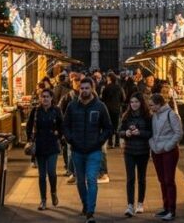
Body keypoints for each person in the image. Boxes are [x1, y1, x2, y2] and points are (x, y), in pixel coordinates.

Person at [63, 78, 113, 223]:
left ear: (92, 89)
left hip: (94, 151)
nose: (84, 90)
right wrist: (70, 139)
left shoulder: (100, 106)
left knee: (91, 179)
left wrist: (99, 141)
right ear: (79, 89)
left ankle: (90, 211)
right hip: (77, 150)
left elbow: (108, 127)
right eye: (82, 88)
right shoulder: (72, 106)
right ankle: (85, 204)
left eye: (87, 88)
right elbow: (65, 125)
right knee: (80, 181)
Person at [26, 89, 63, 210]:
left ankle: (53, 192)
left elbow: (62, 125)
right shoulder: (36, 111)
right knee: (42, 175)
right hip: (40, 145)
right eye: (43, 97)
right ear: (40, 98)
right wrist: (29, 140)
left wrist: (59, 135)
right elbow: (29, 125)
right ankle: (43, 200)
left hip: (52, 145)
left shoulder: (56, 110)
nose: (45, 99)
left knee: (51, 172)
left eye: (47, 97)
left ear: (51, 98)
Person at [148, 92, 183, 221]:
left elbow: (178, 133)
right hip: (157, 150)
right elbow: (153, 132)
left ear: (158, 104)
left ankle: (171, 209)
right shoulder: (154, 116)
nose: (150, 107)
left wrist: (168, 146)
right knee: (162, 180)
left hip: (168, 151)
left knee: (169, 180)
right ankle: (166, 206)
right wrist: (152, 144)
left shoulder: (171, 115)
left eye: (152, 105)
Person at [119, 92, 153, 217]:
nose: (134, 104)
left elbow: (150, 133)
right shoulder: (126, 116)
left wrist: (140, 133)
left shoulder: (147, 116)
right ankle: (130, 205)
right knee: (130, 179)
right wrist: (125, 133)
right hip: (129, 151)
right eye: (132, 102)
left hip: (143, 151)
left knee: (142, 178)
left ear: (141, 102)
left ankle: (140, 203)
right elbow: (119, 131)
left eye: (136, 102)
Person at [102, 73, 126, 147]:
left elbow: (103, 98)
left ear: (109, 79)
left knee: (109, 125)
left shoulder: (106, 87)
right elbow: (124, 98)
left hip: (108, 109)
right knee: (117, 125)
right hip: (117, 108)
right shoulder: (119, 87)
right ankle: (117, 142)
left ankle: (110, 142)